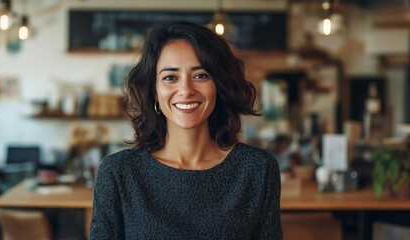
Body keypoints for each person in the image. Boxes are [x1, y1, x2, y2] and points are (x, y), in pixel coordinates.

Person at [89, 21, 282, 239]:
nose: (186, 90)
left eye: (200, 76)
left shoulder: (258, 169)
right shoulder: (118, 172)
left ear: (218, 85)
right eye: (170, 77)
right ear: (154, 91)